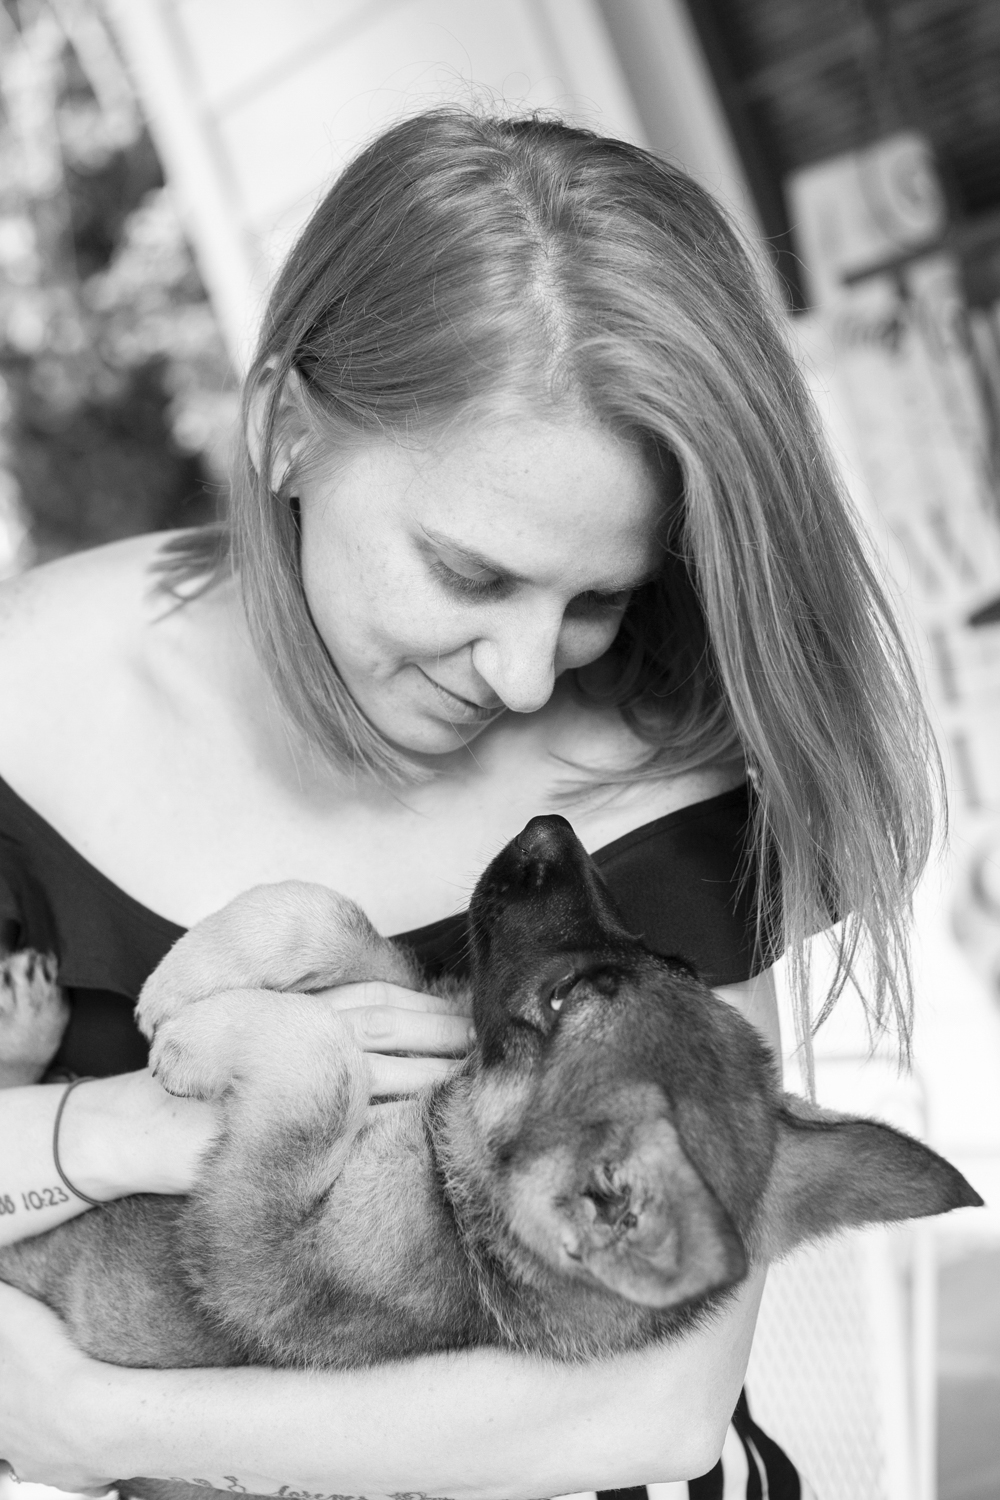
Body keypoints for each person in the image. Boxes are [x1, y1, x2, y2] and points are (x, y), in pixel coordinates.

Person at [0, 110, 937, 1500]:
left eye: (596, 600)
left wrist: (91, 1424)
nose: (519, 674)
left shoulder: (659, 772)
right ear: (283, 431)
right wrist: (107, 1132)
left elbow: (652, 1414)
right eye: (467, 572)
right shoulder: (33, 691)